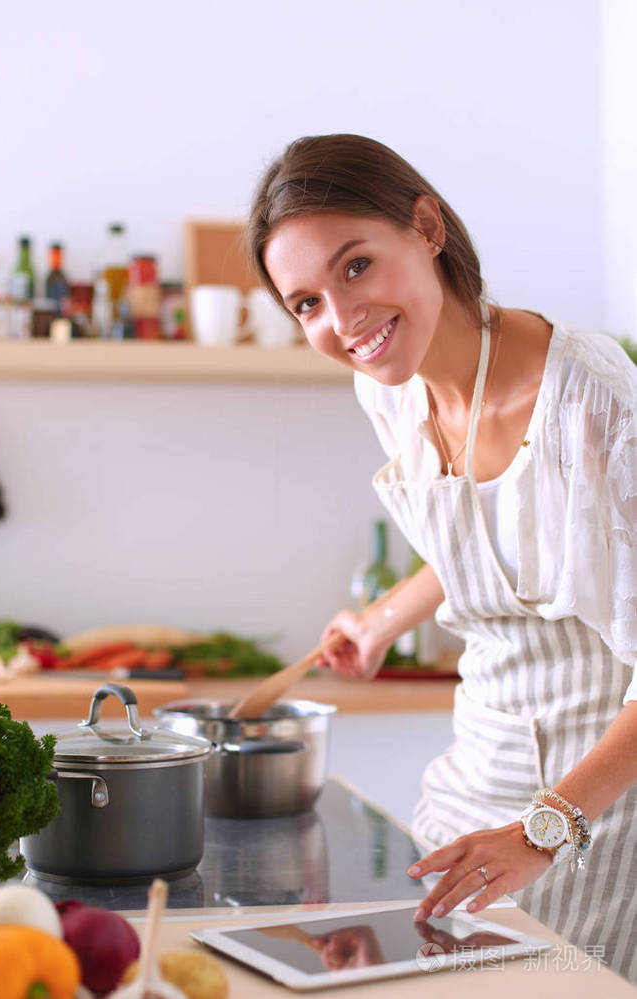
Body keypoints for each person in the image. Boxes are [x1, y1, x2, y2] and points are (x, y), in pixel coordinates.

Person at [246, 133, 637, 982]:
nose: (343, 321)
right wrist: (381, 620)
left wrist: (543, 829)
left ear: (426, 227)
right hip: (472, 776)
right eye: (307, 303)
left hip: (593, 804)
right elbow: (509, 541)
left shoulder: (591, 401)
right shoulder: (390, 387)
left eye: (356, 267)